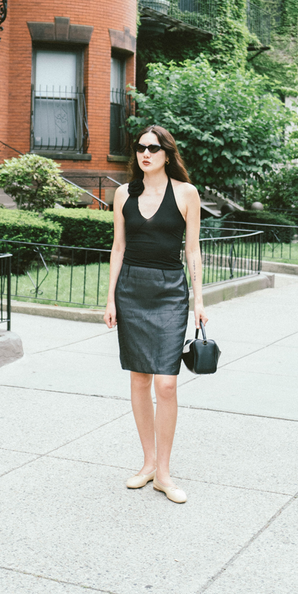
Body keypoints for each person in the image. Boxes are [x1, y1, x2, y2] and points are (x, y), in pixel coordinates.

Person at [103, 125, 208, 504]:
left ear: (167, 153)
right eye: (140, 147)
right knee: (138, 379)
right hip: (131, 289)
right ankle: (147, 464)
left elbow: (193, 250)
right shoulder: (121, 194)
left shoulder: (186, 193)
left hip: (169, 292)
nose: (145, 154)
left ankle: (164, 472)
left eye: (153, 148)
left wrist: (198, 300)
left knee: (166, 383)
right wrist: (111, 298)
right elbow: (118, 248)